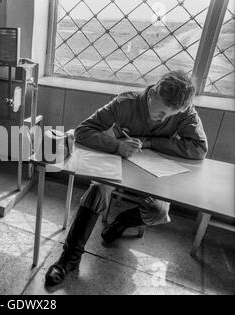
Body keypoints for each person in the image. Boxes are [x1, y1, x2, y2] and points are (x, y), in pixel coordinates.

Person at [45, 70, 208, 287]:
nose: (164, 119)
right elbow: (84, 131)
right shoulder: (125, 102)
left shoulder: (185, 111)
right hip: (117, 161)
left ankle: (121, 222)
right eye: (161, 113)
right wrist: (117, 145)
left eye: (170, 115)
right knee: (97, 192)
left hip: (155, 170)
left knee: (159, 211)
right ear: (153, 93)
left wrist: (150, 142)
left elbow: (199, 149)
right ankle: (69, 259)